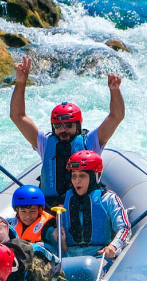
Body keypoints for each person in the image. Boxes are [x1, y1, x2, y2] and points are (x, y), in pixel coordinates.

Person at [9, 56, 126, 206]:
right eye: (58, 126)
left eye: (69, 125)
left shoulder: (90, 142)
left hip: (83, 207)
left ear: (78, 126)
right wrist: (20, 83)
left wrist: (114, 90)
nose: (63, 129)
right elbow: (17, 116)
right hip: (52, 209)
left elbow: (116, 117)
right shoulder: (45, 142)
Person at [59, 150, 130, 258]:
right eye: (74, 176)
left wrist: (113, 247)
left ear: (94, 177)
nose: (76, 181)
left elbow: (124, 228)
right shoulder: (64, 202)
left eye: (82, 176)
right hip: (69, 258)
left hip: (99, 257)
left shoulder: (108, 199)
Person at [6, 185, 61, 254]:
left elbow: (61, 251)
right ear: (17, 211)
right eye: (23, 211)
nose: (28, 216)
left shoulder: (48, 228)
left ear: (40, 210)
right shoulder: (9, 225)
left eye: (32, 211)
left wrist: (61, 240)